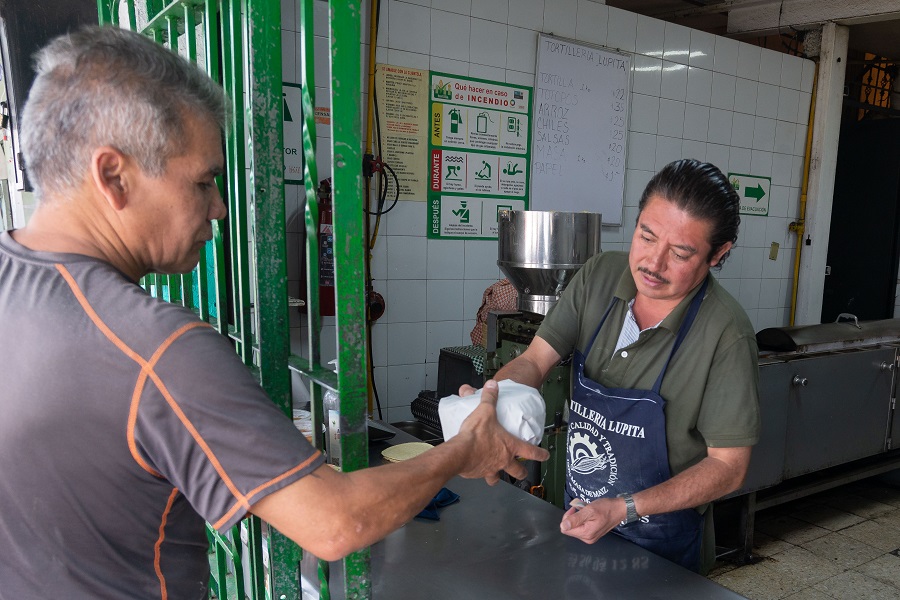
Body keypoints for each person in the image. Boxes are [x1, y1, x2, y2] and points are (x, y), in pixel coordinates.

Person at [0, 25, 548, 599]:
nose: (217, 208)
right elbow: (335, 524)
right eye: (204, 181)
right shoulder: (156, 347)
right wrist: (463, 451)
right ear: (113, 176)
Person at [464, 159, 760, 574]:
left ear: (718, 254)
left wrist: (624, 508)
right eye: (646, 235)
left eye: (680, 253)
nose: (653, 264)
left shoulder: (725, 335)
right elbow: (534, 360)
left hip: (663, 549)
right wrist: (490, 404)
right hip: (581, 520)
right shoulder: (600, 275)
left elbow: (729, 468)